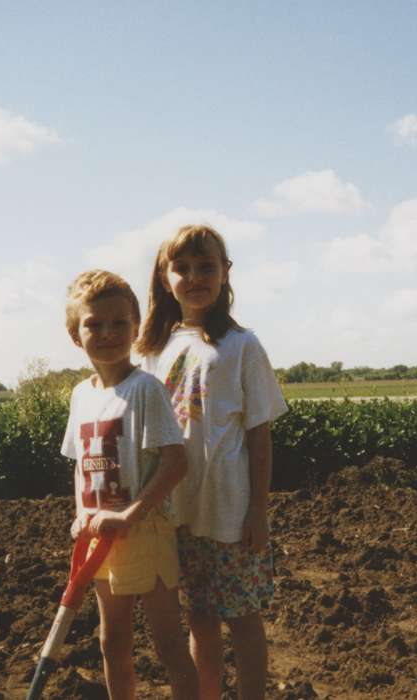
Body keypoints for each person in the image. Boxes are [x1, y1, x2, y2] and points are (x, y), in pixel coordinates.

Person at [136, 225, 288, 700]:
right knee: (199, 616)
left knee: (242, 618)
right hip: (176, 509)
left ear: (226, 273)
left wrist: (259, 508)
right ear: (165, 278)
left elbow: (259, 434)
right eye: (182, 267)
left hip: (230, 510)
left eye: (207, 267)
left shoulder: (242, 345)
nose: (195, 276)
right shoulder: (153, 351)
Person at [61, 269, 199, 700]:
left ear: (136, 328)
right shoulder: (81, 395)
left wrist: (130, 513)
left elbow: (176, 463)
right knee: (111, 640)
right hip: (103, 538)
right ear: (74, 333)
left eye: (120, 323)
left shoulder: (145, 390)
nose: (108, 333)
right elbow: (81, 464)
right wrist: (83, 515)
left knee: (167, 642)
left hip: (146, 531)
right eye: (94, 324)